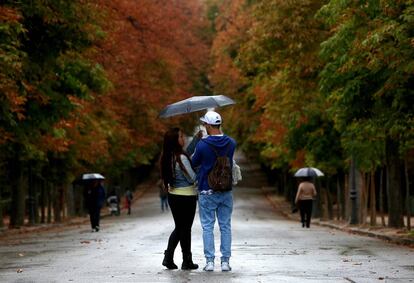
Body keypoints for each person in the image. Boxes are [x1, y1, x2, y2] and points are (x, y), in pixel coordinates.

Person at [191, 110, 236, 272]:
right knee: (225, 226)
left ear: (208, 125)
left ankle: (210, 262)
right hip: (225, 190)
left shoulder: (202, 145)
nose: (204, 126)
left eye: (205, 124)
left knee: (208, 227)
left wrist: (198, 143)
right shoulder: (231, 143)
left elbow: (194, 162)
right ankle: (225, 262)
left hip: (206, 190)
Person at [160, 127, 199, 270]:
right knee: (185, 229)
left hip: (173, 196)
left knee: (179, 228)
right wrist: (199, 170)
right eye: (181, 137)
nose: (183, 139)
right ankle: (186, 260)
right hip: (186, 196)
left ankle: (169, 257)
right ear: (175, 141)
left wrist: (196, 139)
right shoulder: (181, 158)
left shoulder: (167, 157)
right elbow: (192, 178)